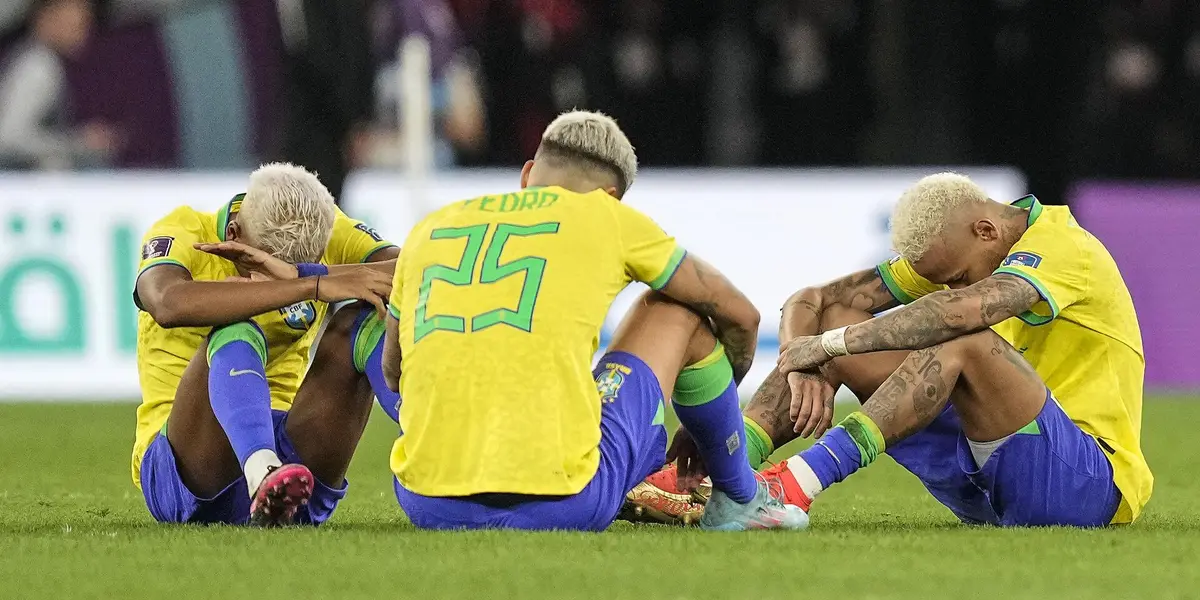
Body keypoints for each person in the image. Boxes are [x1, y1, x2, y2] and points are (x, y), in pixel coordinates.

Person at [631, 172, 1152, 528]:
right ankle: (715, 470)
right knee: (838, 320)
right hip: (986, 475)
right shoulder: (968, 245)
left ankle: (794, 484)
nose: (950, 286)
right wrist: (802, 359)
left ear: (988, 231)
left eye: (957, 276)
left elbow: (967, 311)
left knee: (959, 335)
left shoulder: (1068, 249)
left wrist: (829, 345)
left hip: (1083, 483)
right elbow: (813, 300)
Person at [379, 110, 807, 532]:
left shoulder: (429, 228)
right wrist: (711, 420)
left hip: (428, 503)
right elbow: (743, 316)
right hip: (567, 504)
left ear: (528, 173)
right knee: (679, 310)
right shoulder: (604, 216)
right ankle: (738, 497)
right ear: (609, 196)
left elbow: (393, 372)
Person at [132, 162, 400, 527]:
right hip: (187, 472)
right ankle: (260, 468)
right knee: (236, 318)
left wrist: (310, 273)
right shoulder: (184, 231)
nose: (267, 279)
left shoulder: (328, 229)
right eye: (257, 265)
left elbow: (415, 269)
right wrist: (307, 286)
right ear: (233, 232)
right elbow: (166, 302)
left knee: (369, 313)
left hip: (294, 477)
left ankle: (429, 432)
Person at [0, 0, 121, 170]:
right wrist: (79, 143)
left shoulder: (39, 60)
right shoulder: (38, 67)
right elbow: (8, 138)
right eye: (77, 26)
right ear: (46, 19)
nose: (85, 34)